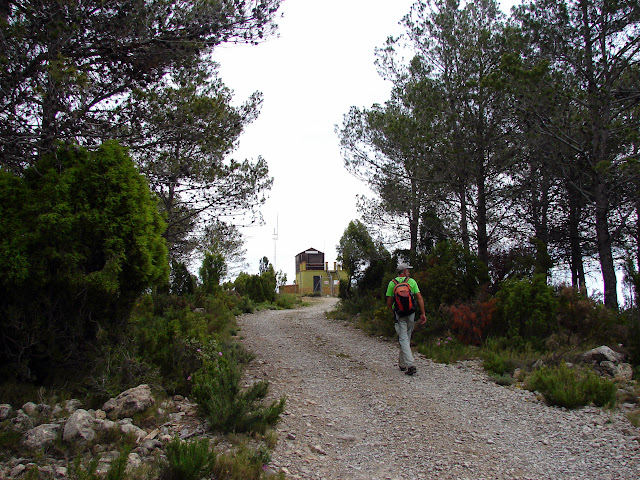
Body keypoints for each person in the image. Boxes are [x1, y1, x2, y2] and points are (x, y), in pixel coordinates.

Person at [386, 263, 426, 376]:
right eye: (407, 270)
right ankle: (403, 364)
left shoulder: (392, 283)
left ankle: (409, 364)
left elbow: (389, 302)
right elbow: (419, 297)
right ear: (404, 272)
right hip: (411, 313)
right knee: (406, 337)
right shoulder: (411, 282)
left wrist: (393, 311)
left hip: (399, 313)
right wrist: (423, 313)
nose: (409, 272)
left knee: (403, 338)